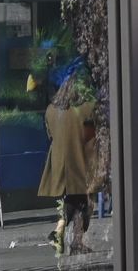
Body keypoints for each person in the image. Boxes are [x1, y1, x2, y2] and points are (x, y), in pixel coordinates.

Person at [38, 71, 99, 255]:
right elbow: (96, 132)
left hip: (59, 162)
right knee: (81, 200)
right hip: (80, 162)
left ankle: (76, 242)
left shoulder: (50, 110)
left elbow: (50, 135)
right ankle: (60, 231)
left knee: (77, 200)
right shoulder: (88, 107)